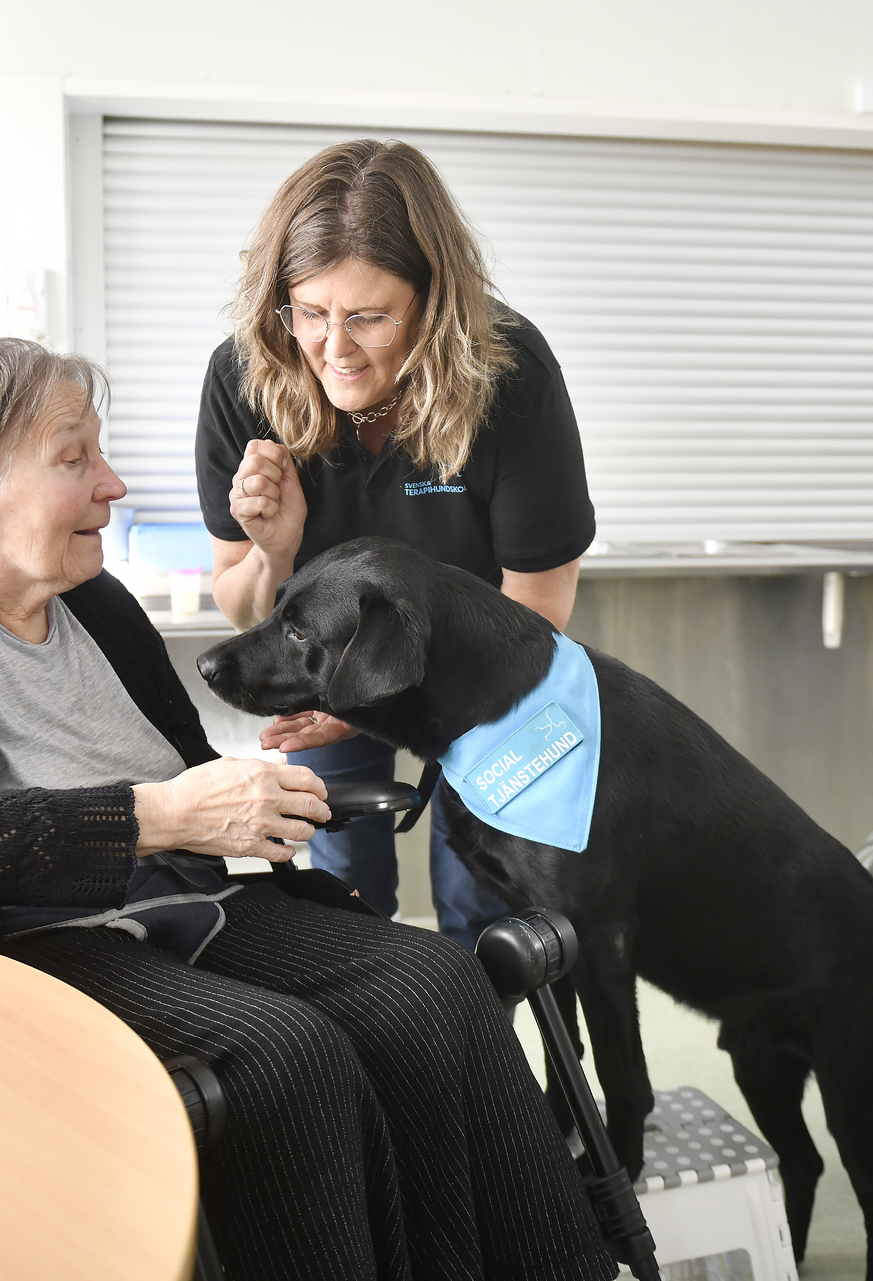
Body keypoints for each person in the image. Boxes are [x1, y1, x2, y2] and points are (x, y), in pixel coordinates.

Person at [0, 338, 615, 1281]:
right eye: (74, 459)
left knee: (435, 985)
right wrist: (157, 817)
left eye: (101, 453)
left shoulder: (94, 604)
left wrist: (247, 794)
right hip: (24, 938)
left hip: (170, 900)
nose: (114, 484)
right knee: (289, 1062)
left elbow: (179, 770)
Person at [195, 139, 596, 949]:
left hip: (488, 680)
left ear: (433, 303)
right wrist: (275, 550)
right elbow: (238, 598)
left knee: (482, 904)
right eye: (310, 313)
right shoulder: (245, 378)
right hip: (330, 688)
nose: (335, 349)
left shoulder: (508, 374)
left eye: (369, 317)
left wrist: (364, 706)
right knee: (346, 898)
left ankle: (476, 1059)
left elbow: (538, 612)